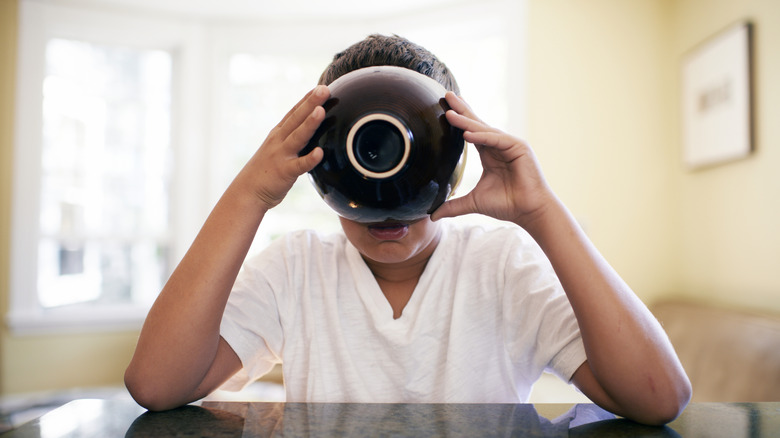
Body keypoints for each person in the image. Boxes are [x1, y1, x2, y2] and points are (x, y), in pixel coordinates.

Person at [124, 34, 691, 425]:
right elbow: (156, 385)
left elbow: (658, 396)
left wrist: (541, 211)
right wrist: (250, 193)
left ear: (455, 158)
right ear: (317, 161)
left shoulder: (502, 267)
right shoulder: (296, 269)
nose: (389, 198)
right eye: (366, 153)